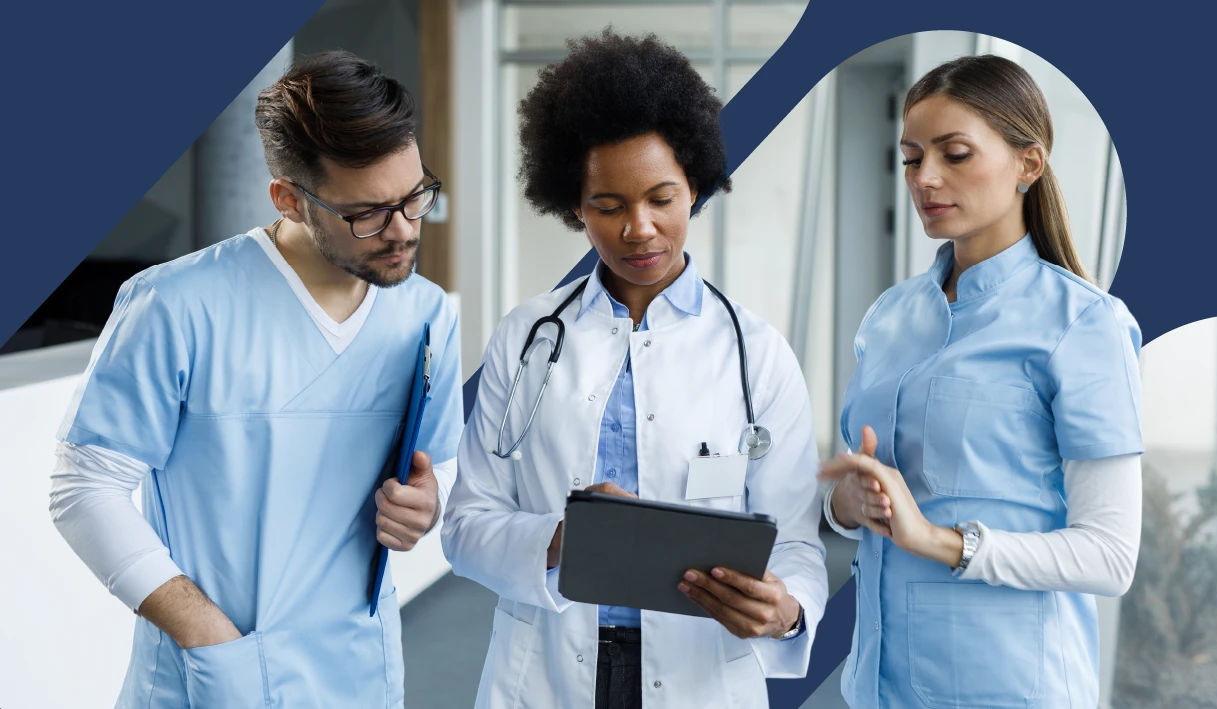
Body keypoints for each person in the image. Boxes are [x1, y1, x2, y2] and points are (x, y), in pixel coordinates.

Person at [48, 50, 462, 708]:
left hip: (358, 670)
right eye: (369, 213)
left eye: (416, 197)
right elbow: (84, 485)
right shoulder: (176, 304)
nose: (405, 230)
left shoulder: (427, 312)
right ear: (290, 199)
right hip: (216, 674)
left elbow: (439, 462)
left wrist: (428, 500)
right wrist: (208, 635)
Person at [442, 29, 828, 709]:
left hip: (701, 668)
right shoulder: (526, 337)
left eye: (662, 198)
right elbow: (467, 523)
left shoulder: (755, 351)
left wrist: (788, 608)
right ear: (573, 205)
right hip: (549, 670)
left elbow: (795, 538)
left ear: (697, 188)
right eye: (608, 206)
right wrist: (564, 539)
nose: (639, 228)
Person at [819, 54, 1143, 709]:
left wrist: (938, 540)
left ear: (1029, 163)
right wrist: (846, 507)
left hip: (1008, 686)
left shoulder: (1084, 325)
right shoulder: (889, 316)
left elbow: (1108, 556)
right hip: (877, 685)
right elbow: (860, 495)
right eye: (912, 158)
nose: (925, 178)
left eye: (955, 153)